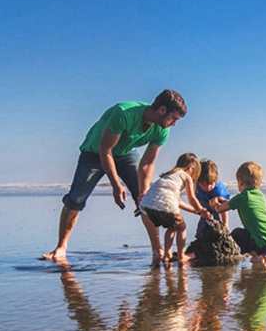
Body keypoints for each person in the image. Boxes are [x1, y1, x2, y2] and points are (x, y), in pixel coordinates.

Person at [42, 90, 187, 262]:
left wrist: (143, 190)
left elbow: (147, 163)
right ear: (162, 109)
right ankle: (61, 248)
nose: (175, 124)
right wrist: (116, 184)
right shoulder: (124, 113)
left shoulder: (162, 130)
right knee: (76, 199)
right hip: (95, 152)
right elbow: (105, 149)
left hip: (125, 154)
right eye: (174, 118)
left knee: (146, 200)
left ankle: (157, 249)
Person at [139, 153, 210, 265]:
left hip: (147, 205)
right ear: (192, 168)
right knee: (182, 227)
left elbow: (177, 202)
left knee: (173, 226)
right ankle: (181, 256)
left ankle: (167, 256)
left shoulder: (169, 176)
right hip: (165, 202)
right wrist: (202, 209)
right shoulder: (185, 176)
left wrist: (196, 212)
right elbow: (191, 199)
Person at [212, 161, 266, 268]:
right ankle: (263, 256)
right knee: (256, 232)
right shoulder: (260, 196)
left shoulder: (241, 197)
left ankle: (257, 256)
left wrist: (215, 203)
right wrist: (227, 202)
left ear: (240, 182)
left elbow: (219, 209)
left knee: (237, 234)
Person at [195, 159, 230, 237]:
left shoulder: (218, 190)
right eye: (203, 184)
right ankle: (200, 236)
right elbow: (193, 197)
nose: (207, 187)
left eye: (210, 184)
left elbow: (224, 209)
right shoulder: (196, 185)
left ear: (215, 180)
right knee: (202, 224)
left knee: (217, 219)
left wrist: (225, 224)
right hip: (204, 202)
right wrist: (200, 210)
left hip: (217, 204)